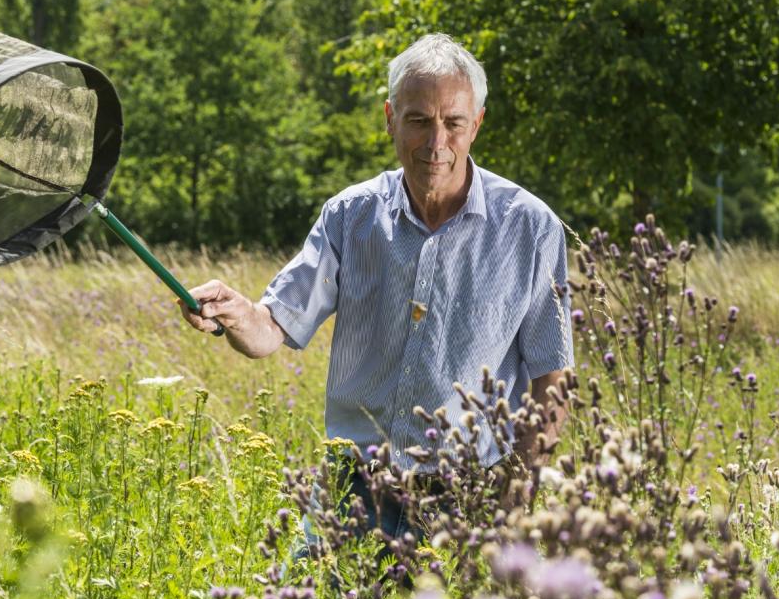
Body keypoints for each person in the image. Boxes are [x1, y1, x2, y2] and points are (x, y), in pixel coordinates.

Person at [180, 33, 573, 541]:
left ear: (476, 124)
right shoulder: (351, 216)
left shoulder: (530, 228)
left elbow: (552, 382)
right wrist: (235, 311)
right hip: (353, 488)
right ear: (390, 118)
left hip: (468, 496)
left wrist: (512, 502)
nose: (436, 143)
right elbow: (270, 328)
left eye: (453, 123)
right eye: (417, 121)